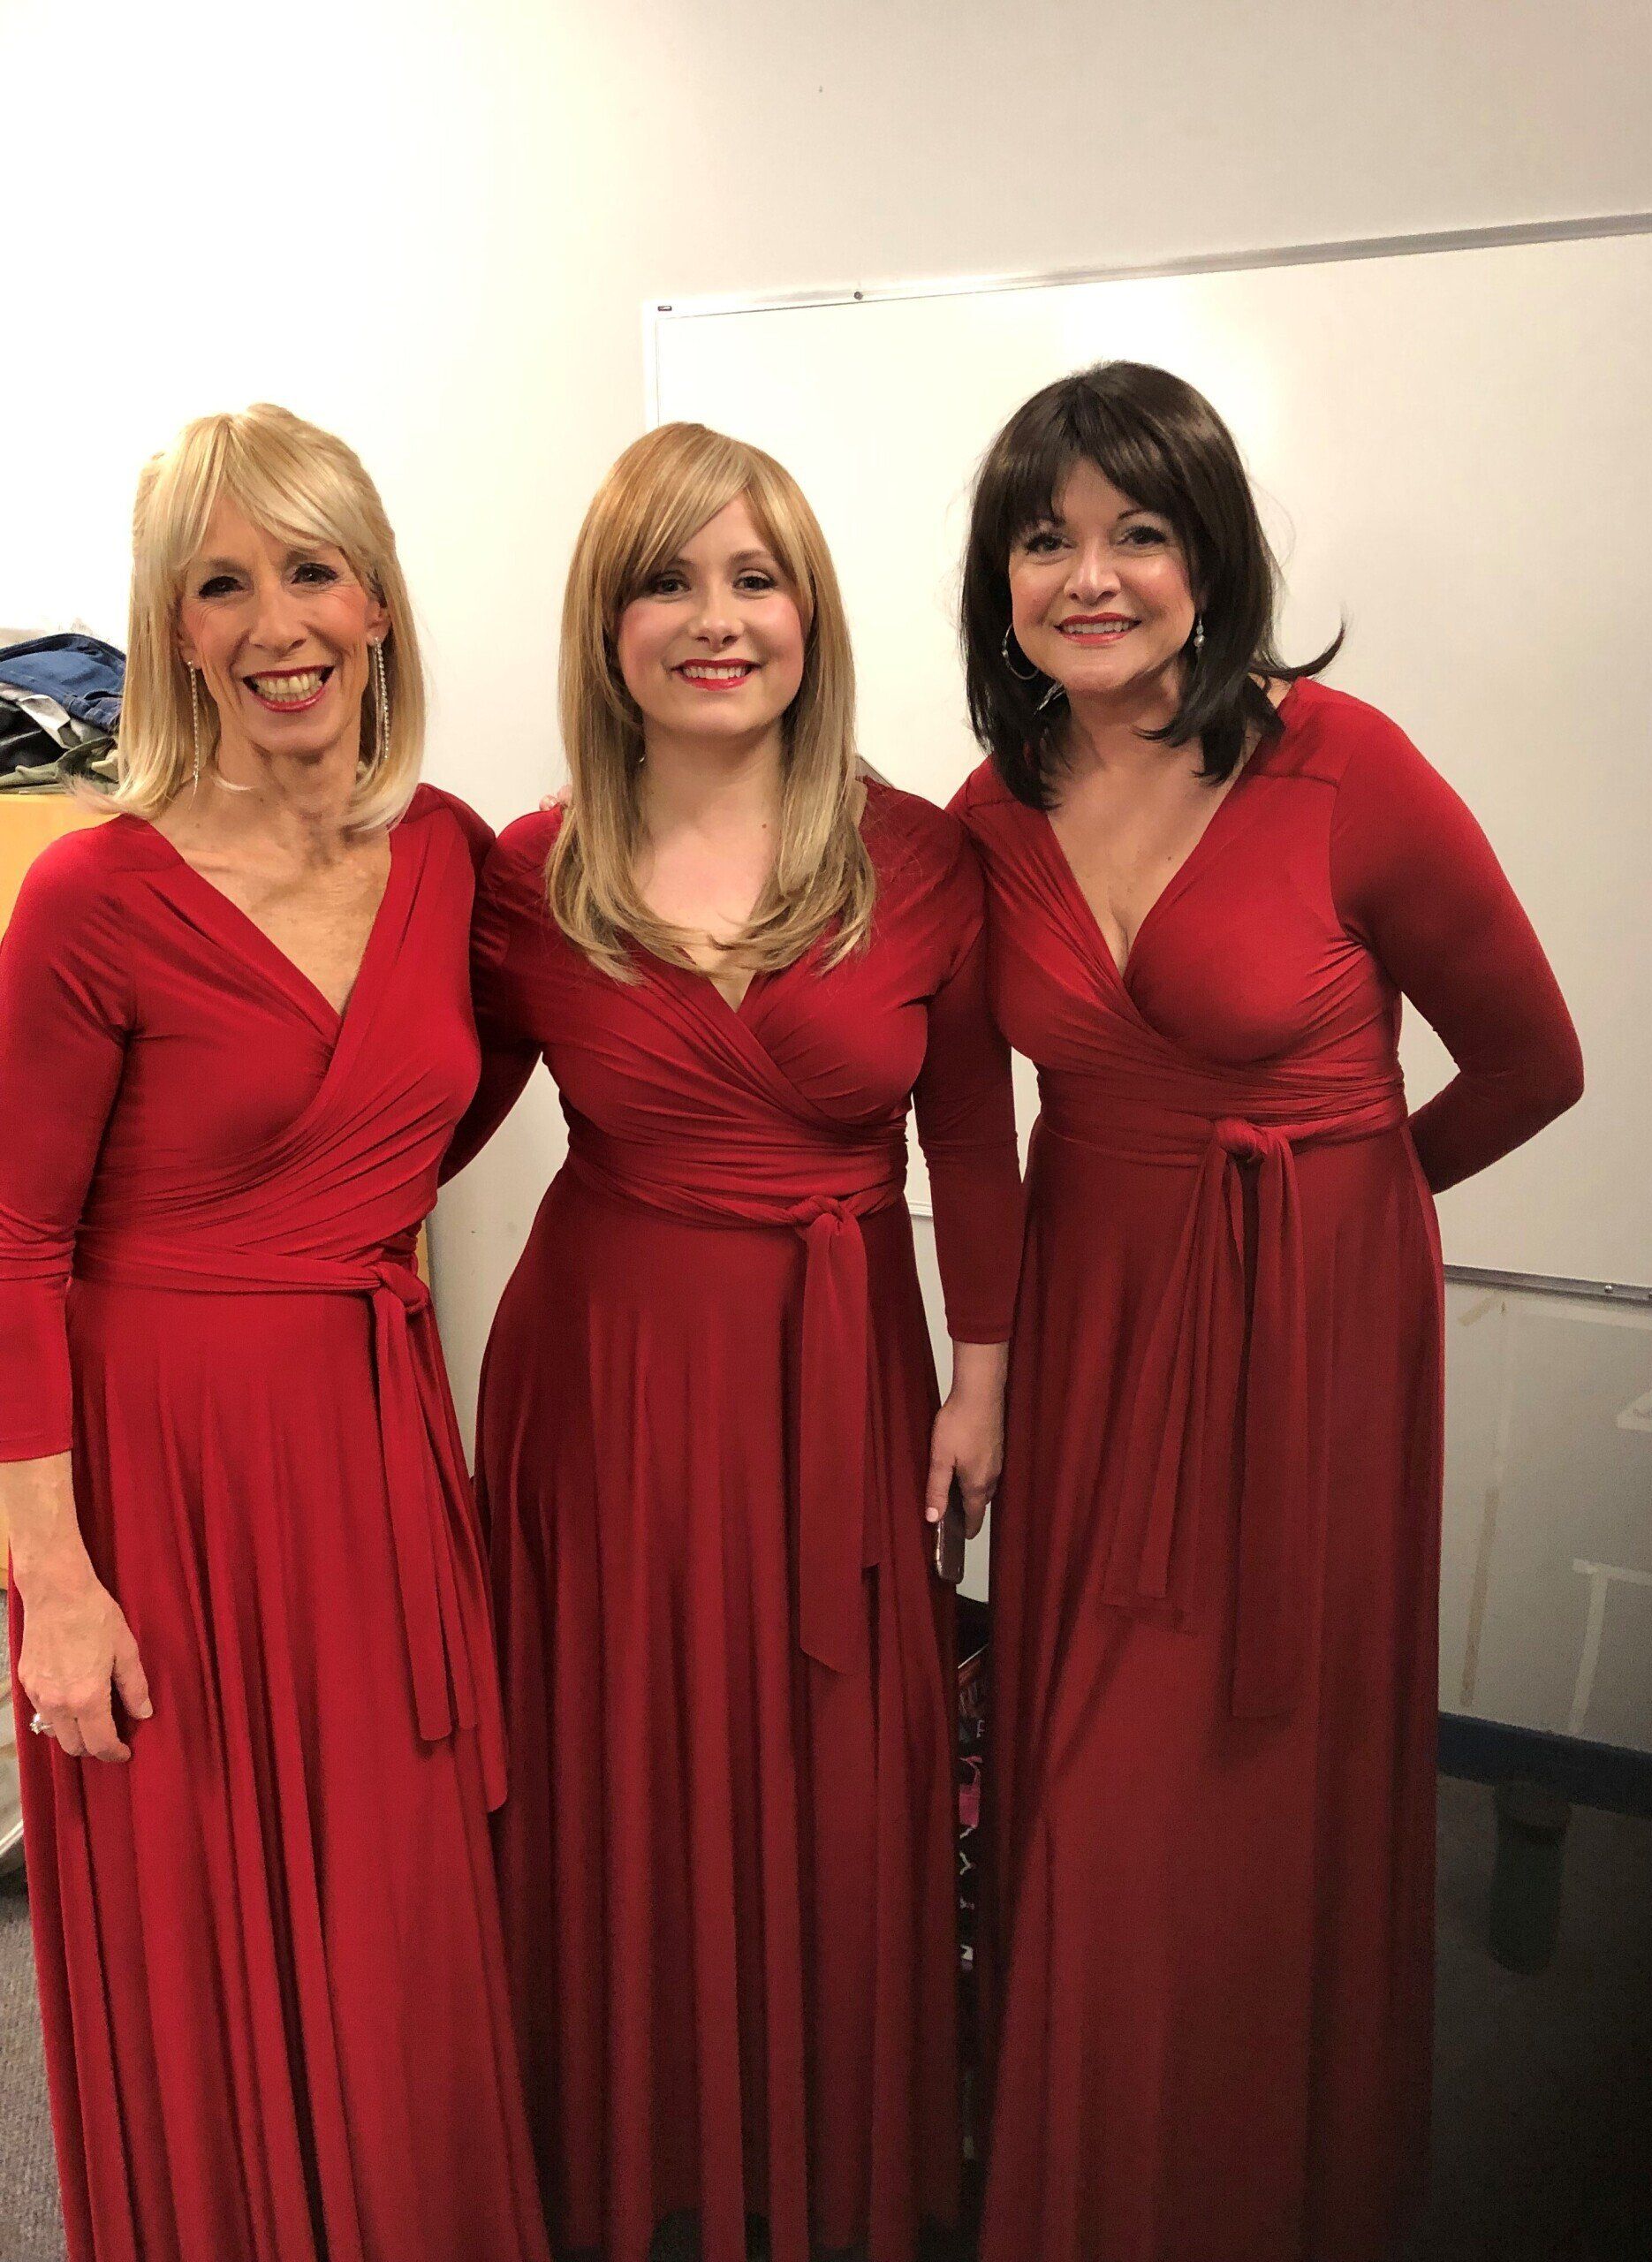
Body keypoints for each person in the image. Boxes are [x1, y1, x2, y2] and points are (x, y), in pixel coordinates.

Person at [951, 361, 1583, 2262]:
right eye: (1046, 539)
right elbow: (975, 1126)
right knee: (1088, 1776)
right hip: (1091, 1332)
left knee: (1255, 1777)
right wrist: (983, 1366)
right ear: (999, 581)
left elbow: (1531, 1062)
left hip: (1305, 1352)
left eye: (1138, 530)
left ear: (1212, 557)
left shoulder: (1348, 767)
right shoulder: (992, 807)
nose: (1091, 576)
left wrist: (1346, 1233)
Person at [447, 421, 1023, 2262]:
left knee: (830, 1766)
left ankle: (823, 2153)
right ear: (604, 624)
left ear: (810, 611)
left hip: (839, 1373)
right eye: (668, 581)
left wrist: (983, 1375)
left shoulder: (923, 858)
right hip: (604, 1387)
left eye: (754, 578)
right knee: (622, 1768)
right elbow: (415, 1120)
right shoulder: (530, 872)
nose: (716, 619)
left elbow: (973, 1138)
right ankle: (633, 2145)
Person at [1, 404, 547, 2262]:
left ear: (377, 601)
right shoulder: (90, 892)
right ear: (173, 627)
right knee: (199, 1919)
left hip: (371, 1451)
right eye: (220, 584)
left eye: (312, 570)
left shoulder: (454, 855)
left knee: (394, 1906)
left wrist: (334, 1225)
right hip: (159, 1487)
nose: (275, 623)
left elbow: (462, 1091)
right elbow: (15, 1241)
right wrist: (50, 1585)